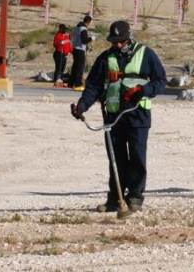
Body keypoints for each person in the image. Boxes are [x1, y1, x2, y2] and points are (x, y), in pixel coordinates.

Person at [70, 20, 166, 215]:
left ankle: (135, 198)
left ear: (128, 37)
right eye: (114, 42)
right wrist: (82, 106)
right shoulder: (105, 58)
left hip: (138, 114)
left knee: (137, 157)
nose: (118, 45)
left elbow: (160, 81)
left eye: (121, 41)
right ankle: (115, 199)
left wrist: (143, 90)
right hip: (113, 116)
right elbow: (94, 86)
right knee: (116, 159)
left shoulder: (145, 54)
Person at [69, 15, 94, 89]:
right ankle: (78, 84)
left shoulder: (76, 28)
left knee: (75, 66)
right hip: (80, 50)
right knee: (80, 67)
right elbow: (84, 41)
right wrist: (91, 38)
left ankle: (71, 82)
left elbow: (71, 36)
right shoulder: (83, 29)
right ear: (89, 22)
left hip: (74, 49)